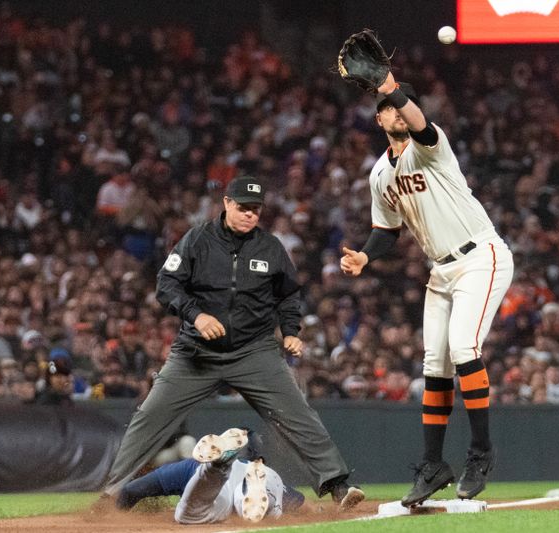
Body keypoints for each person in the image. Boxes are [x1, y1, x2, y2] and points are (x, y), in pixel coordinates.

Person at [100, 177, 364, 510]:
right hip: (196, 352)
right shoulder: (197, 240)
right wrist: (196, 315)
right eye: (243, 207)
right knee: (149, 416)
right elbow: (167, 285)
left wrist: (292, 331)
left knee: (297, 414)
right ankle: (113, 494)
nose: (250, 215)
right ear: (226, 203)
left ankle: (338, 485)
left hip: (254, 350)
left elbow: (288, 296)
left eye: (255, 209)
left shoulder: (270, 247)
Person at [339, 72, 514, 506]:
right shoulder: (380, 173)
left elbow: (419, 122)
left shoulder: (431, 146)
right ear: (378, 120)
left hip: (481, 256)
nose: (398, 112)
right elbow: (387, 230)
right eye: (389, 109)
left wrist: (390, 88)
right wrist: (365, 255)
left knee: (462, 348)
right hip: (441, 272)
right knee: (434, 365)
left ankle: (481, 454)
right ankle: (433, 464)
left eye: (403, 106)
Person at [116, 427, 305, 524]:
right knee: (269, 507)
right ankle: (246, 495)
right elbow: (298, 500)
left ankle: (215, 468)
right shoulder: (267, 473)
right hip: (255, 479)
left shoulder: (189, 465)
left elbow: (131, 491)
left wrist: (110, 516)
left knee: (188, 514)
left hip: (208, 491)